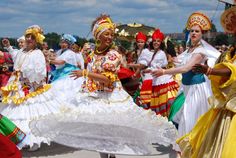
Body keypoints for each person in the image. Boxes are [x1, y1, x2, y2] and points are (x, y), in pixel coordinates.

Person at [30, 14, 177, 158]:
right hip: (95, 96)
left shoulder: (113, 55)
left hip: (111, 98)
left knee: (110, 134)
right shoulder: (93, 55)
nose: (110, 37)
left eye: (111, 34)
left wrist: (85, 73)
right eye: (106, 34)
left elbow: (107, 80)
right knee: (98, 135)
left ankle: (111, 155)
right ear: (97, 35)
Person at [149, 12, 219, 149]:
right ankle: (188, 150)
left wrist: (163, 72)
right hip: (187, 89)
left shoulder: (200, 52)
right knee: (184, 119)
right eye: (192, 31)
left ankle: (188, 150)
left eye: (197, 31)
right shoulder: (188, 50)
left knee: (189, 120)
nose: (193, 33)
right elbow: (177, 61)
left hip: (197, 90)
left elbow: (186, 68)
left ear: (202, 34)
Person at [177, 6, 236, 158]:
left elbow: (232, 70)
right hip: (223, 105)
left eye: (197, 31)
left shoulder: (202, 50)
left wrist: (209, 71)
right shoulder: (228, 52)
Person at [0, 25, 71, 151]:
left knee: (30, 112)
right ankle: (18, 138)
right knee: (16, 111)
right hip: (17, 85)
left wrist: (29, 79)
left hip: (29, 87)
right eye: (27, 36)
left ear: (36, 39)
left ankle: (34, 140)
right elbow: (15, 56)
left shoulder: (37, 53)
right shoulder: (22, 51)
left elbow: (40, 72)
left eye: (32, 37)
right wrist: (8, 46)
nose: (29, 39)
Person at [143, 29, 179, 116]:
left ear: (161, 43)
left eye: (158, 41)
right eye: (154, 41)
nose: (156, 43)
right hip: (157, 81)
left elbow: (156, 68)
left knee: (163, 105)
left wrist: (146, 70)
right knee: (159, 106)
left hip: (163, 82)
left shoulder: (161, 53)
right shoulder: (156, 53)